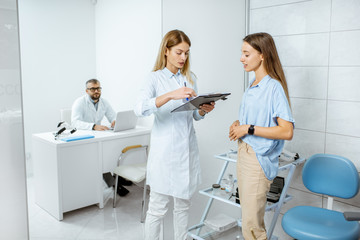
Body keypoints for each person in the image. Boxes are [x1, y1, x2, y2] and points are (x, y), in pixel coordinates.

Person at [134, 29, 215, 240]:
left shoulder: (190, 78)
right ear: (166, 51)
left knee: (183, 206)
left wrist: (202, 110)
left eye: (186, 53)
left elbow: (193, 116)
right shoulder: (154, 79)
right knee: (157, 208)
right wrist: (171, 95)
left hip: (186, 150)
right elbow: (140, 108)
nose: (183, 58)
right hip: (164, 153)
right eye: (179, 52)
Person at [228, 32, 294, 240]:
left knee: (252, 226)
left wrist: (248, 128)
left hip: (257, 160)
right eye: (242, 54)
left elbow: (287, 131)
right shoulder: (252, 86)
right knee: (249, 220)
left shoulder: (273, 87)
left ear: (263, 55)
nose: (241, 59)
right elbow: (254, 121)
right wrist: (238, 125)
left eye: (246, 54)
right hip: (245, 153)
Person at [71, 78, 131, 196]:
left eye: (98, 88)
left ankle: (118, 177)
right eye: (92, 89)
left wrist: (114, 121)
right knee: (101, 158)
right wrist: (93, 126)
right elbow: (75, 122)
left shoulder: (104, 102)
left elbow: (113, 116)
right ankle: (114, 184)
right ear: (87, 90)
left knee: (113, 151)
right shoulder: (79, 102)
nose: (96, 91)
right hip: (84, 137)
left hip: (98, 135)